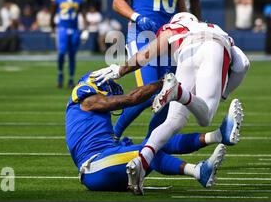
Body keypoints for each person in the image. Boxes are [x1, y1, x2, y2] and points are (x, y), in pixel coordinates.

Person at [92, 12, 249, 195]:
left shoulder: (172, 28)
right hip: (213, 46)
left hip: (185, 52)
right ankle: (179, 93)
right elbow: (243, 65)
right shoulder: (213, 28)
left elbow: (146, 54)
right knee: (205, 117)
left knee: (173, 121)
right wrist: (224, 94)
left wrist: (120, 70)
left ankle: (141, 161)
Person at [67, 72, 241, 194]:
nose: (110, 90)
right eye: (108, 87)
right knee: (147, 150)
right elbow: (130, 99)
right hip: (94, 167)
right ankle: (197, 171)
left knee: (156, 140)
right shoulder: (87, 100)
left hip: (106, 164)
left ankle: (218, 135)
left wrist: (162, 91)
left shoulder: (88, 106)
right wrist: (161, 83)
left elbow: (135, 99)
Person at [111, 0, 190, 140]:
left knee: (168, 96)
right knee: (148, 92)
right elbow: (118, 2)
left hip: (168, 39)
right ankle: (113, 135)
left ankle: (150, 145)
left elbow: (181, 9)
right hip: (143, 35)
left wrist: (189, 26)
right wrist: (137, 17)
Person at [50, 0, 87, 88]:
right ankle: (60, 74)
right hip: (62, 28)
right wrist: (52, 27)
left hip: (75, 29)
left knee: (72, 55)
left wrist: (85, 28)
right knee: (61, 53)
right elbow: (53, 12)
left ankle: (71, 78)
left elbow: (82, 12)